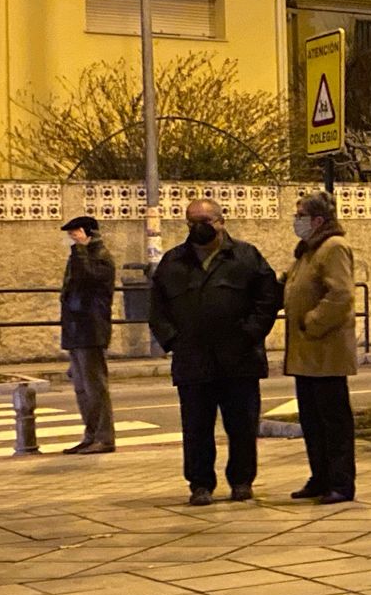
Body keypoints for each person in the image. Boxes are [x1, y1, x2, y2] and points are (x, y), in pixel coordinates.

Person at [149, 198, 281, 507]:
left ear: (221, 222)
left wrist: (250, 334)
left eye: (205, 221)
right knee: (196, 428)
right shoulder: (173, 261)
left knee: (242, 427)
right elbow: (157, 308)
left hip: (239, 360)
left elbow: (267, 300)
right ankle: (200, 484)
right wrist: (174, 341)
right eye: (192, 222)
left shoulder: (246, 257)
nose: (198, 227)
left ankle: (242, 481)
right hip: (193, 361)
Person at [283, 192, 358, 505]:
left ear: (317, 220)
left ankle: (340, 482)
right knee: (312, 421)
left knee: (333, 421)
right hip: (306, 353)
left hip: (325, 350)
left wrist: (312, 322)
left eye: (300, 215)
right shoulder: (308, 250)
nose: (296, 220)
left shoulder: (333, 247)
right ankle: (321, 477)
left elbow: (340, 294)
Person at [58, 215, 117, 455]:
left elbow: (86, 279)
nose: (72, 238)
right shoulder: (79, 257)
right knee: (82, 388)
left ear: (88, 233)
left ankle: (104, 437)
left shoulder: (100, 258)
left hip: (91, 329)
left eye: (75, 233)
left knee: (95, 387)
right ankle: (91, 435)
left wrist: (81, 249)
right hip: (77, 329)